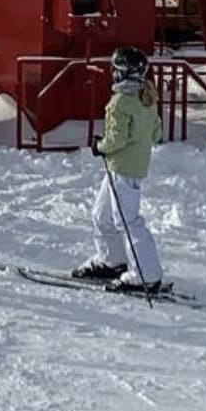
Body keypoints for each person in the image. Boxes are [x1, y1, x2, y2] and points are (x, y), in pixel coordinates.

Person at [72, 45, 166, 292]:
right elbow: (156, 133)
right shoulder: (146, 98)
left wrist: (99, 146)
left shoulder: (120, 102)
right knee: (101, 215)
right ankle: (112, 260)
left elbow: (116, 140)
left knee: (127, 220)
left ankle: (146, 274)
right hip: (127, 167)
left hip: (123, 167)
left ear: (120, 73)